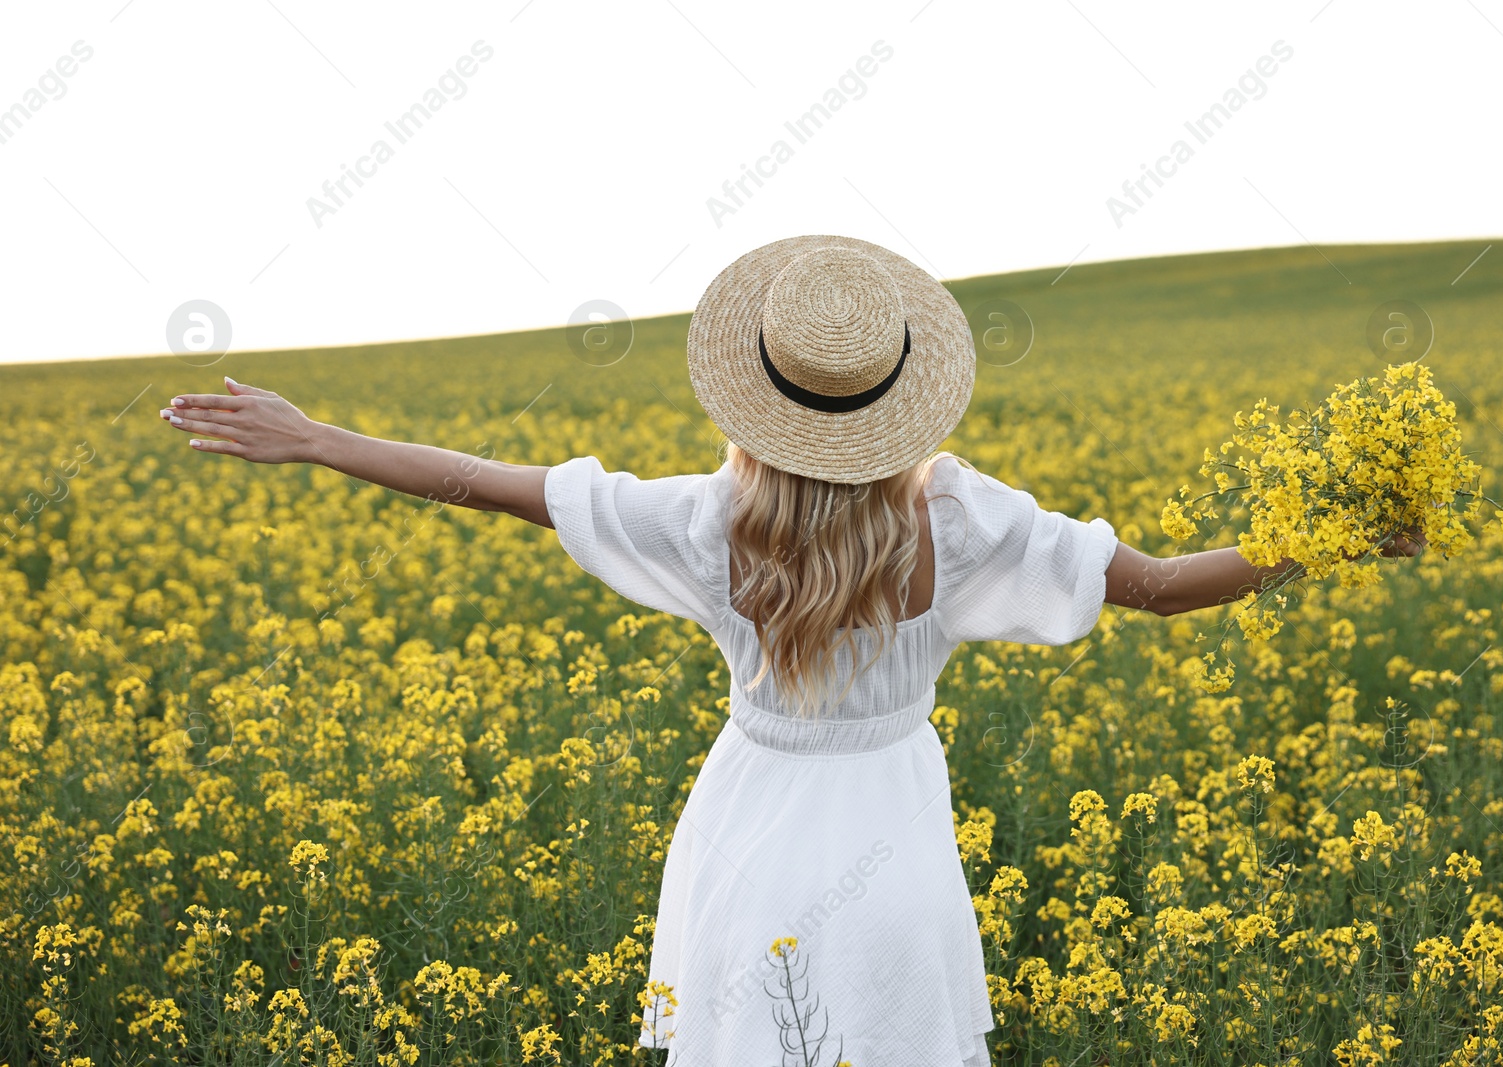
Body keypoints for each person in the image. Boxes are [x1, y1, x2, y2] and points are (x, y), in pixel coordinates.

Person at [160, 234, 1424, 1065]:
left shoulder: (709, 521)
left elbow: (491, 484)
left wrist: (318, 434)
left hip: (750, 831)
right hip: (895, 834)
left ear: (753, 395)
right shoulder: (961, 515)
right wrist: (1335, 533)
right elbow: (1152, 587)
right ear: (902, 394)